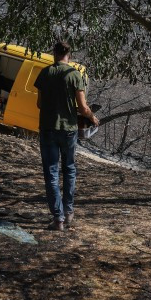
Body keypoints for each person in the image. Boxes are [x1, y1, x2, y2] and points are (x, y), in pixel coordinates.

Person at [33, 40, 98, 231]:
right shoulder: (74, 75)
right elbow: (83, 107)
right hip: (68, 130)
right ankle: (69, 212)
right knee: (69, 169)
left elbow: (39, 104)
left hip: (48, 129)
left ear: (54, 53)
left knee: (51, 172)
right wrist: (93, 118)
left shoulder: (45, 73)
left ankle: (58, 219)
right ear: (69, 55)